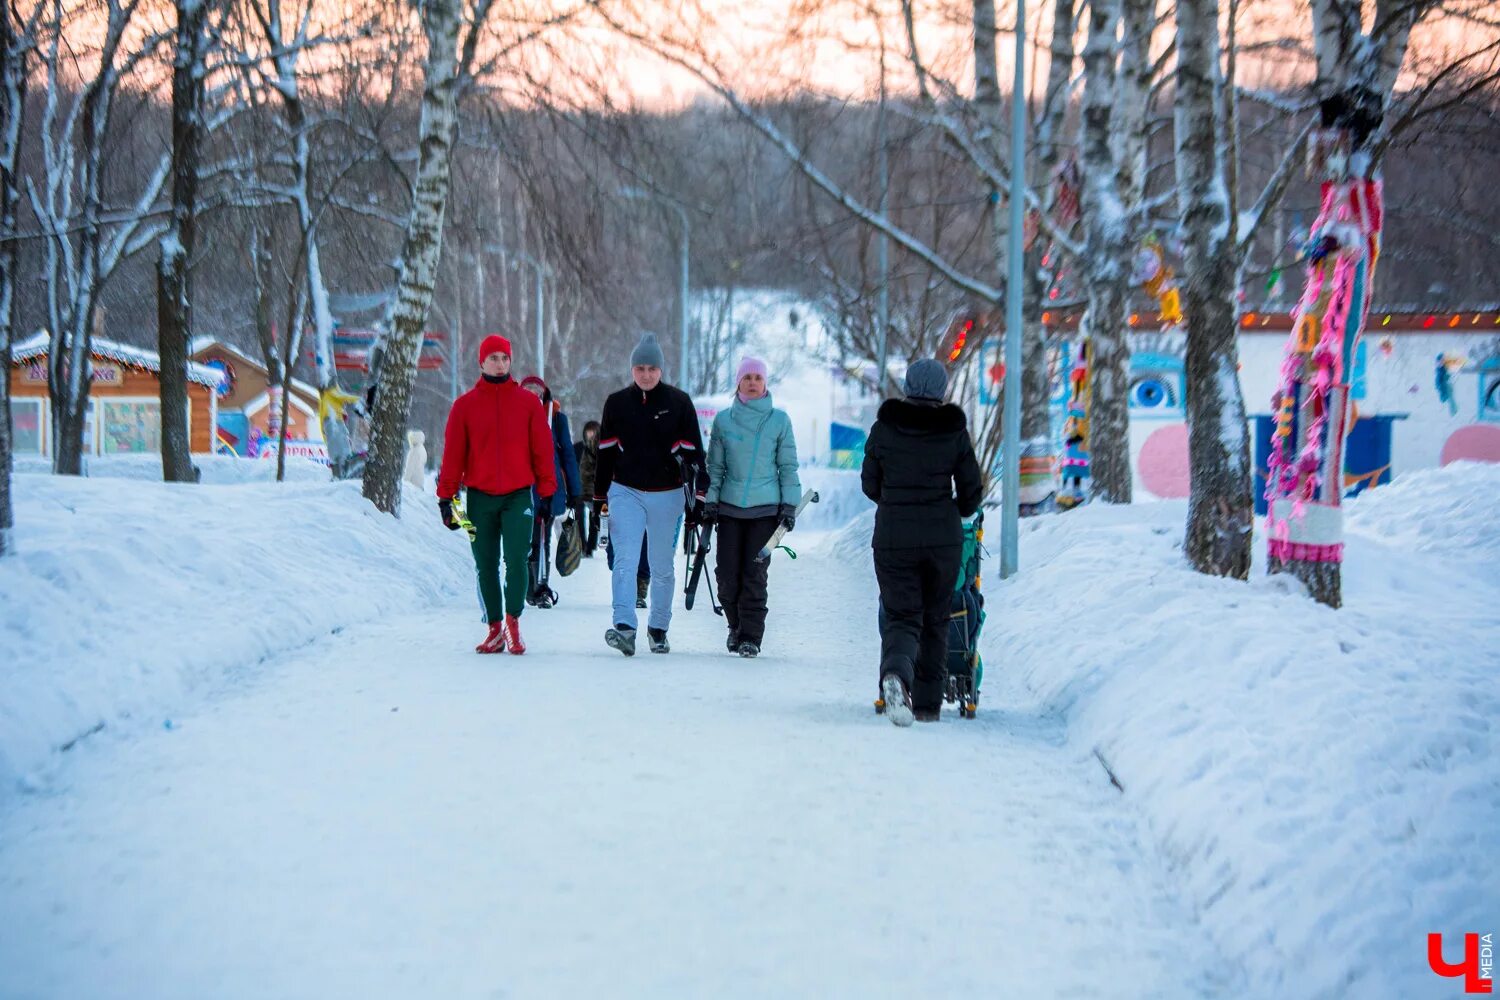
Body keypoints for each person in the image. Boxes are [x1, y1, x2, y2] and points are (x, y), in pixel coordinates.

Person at [862, 358, 983, 725]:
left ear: (908, 386)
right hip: (941, 539)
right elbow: (971, 492)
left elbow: (870, 484)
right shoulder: (954, 432)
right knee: (936, 618)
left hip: (894, 536)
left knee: (901, 615)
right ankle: (929, 704)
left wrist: (894, 499)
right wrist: (957, 508)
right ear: (942, 390)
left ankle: (897, 675)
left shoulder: (884, 429)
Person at [436, 334, 557, 655]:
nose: (500, 363)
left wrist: (547, 490)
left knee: (517, 560)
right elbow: (453, 455)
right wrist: (446, 498)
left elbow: (543, 450)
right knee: (485, 564)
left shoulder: (528, 403)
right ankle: (494, 629)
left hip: (518, 495)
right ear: (482, 362)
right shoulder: (464, 407)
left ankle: (513, 623)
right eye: (494, 358)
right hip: (478, 498)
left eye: (504, 358)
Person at [593, 332, 707, 656]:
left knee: (661, 566)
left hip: (667, 494)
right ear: (631, 370)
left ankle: (658, 628)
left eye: (651, 369)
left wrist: (698, 498)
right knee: (625, 561)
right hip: (625, 491)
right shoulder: (616, 403)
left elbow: (696, 455)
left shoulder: (679, 403)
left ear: (661, 370)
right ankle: (625, 627)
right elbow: (605, 455)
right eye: (640, 368)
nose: (646, 374)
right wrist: (599, 500)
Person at [702, 356, 800, 658]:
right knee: (727, 576)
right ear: (738, 383)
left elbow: (788, 466)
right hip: (730, 510)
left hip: (766, 511)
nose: (753, 382)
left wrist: (789, 506)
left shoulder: (779, 421)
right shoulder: (723, 420)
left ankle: (751, 637)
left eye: (758, 377)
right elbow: (715, 467)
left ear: (765, 383)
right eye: (748, 378)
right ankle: (735, 625)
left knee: (754, 575)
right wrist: (711, 501)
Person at [520, 375, 583, 607]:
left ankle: (541, 586)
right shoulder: (514, 415)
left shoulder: (556, 419)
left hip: (548, 487)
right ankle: (527, 586)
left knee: (542, 537)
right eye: (528, 391)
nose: (533, 395)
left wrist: (576, 492)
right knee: (524, 539)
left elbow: (567, 454)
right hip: (520, 487)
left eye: (537, 391)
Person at [574, 420, 601, 556]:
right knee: (580, 515)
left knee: (594, 517)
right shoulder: (579, 448)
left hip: (597, 489)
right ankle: (583, 545)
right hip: (581, 488)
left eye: (592, 432)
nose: (590, 435)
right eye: (588, 432)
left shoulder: (602, 449)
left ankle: (590, 546)